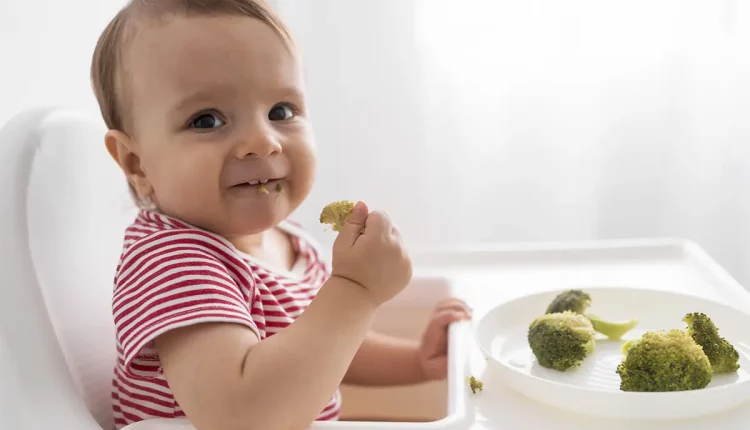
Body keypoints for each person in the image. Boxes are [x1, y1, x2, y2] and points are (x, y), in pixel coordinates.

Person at [90, 1, 471, 429]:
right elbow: (244, 414)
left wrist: (416, 361)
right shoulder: (170, 261)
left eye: (281, 111)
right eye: (207, 119)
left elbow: (326, 347)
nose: (262, 141)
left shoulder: (290, 241)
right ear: (137, 163)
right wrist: (356, 290)